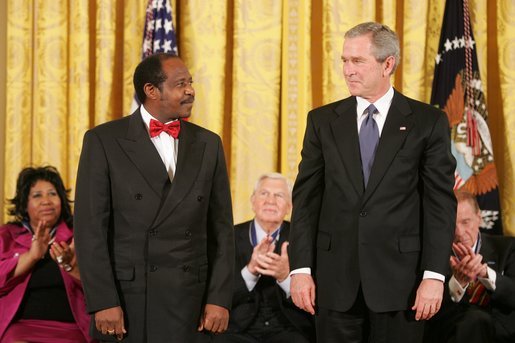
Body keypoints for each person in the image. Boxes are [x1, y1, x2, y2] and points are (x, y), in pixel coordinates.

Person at [288, 22, 457, 343]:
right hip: (334, 283)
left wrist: (434, 276)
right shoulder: (322, 121)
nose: (347, 70)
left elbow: (439, 205)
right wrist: (300, 270)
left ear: (387, 64)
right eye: (344, 61)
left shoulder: (427, 122)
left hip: (402, 285)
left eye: (358, 61)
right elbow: (306, 201)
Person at [74, 53, 234, 342]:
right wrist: (103, 300)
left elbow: (221, 229)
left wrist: (219, 298)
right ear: (151, 90)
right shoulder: (103, 141)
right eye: (180, 83)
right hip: (129, 301)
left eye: (191, 82)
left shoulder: (209, 143)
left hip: (192, 302)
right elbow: (90, 230)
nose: (190, 90)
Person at [214, 173, 315, 343]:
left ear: (290, 207)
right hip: (238, 330)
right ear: (253, 202)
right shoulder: (229, 236)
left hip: (288, 329)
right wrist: (250, 271)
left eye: (279, 195)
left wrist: (285, 277)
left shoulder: (303, 240)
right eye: (264, 194)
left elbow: (314, 303)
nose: (271, 200)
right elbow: (218, 296)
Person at [0, 166, 95, 343]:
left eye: (52, 194)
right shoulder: (6, 236)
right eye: (37, 195)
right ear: (24, 204)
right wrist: (32, 256)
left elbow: (101, 287)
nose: (46, 201)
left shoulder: (79, 236)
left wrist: (72, 266)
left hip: (72, 329)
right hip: (21, 328)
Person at [424, 191, 515, 343]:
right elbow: (430, 313)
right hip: (453, 332)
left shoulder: (506, 247)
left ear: (479, 218)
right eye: (453, 224)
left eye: (466, 222)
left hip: (502, 333)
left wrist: (485, 273)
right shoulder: (434, 257)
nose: (460, 233)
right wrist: (457, 284)